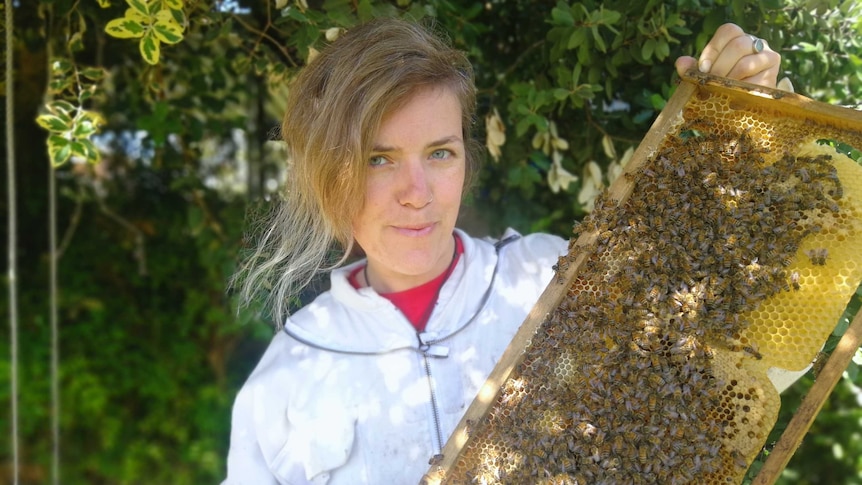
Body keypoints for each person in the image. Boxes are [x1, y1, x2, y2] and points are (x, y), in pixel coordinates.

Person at [222, 17, 783, 485]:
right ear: (328, 176)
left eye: (439, 153)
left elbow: (743, 359)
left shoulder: (552, 277)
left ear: (465, 162)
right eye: (378, 158)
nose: (416, 193)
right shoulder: (286, 381)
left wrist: (746, 127)